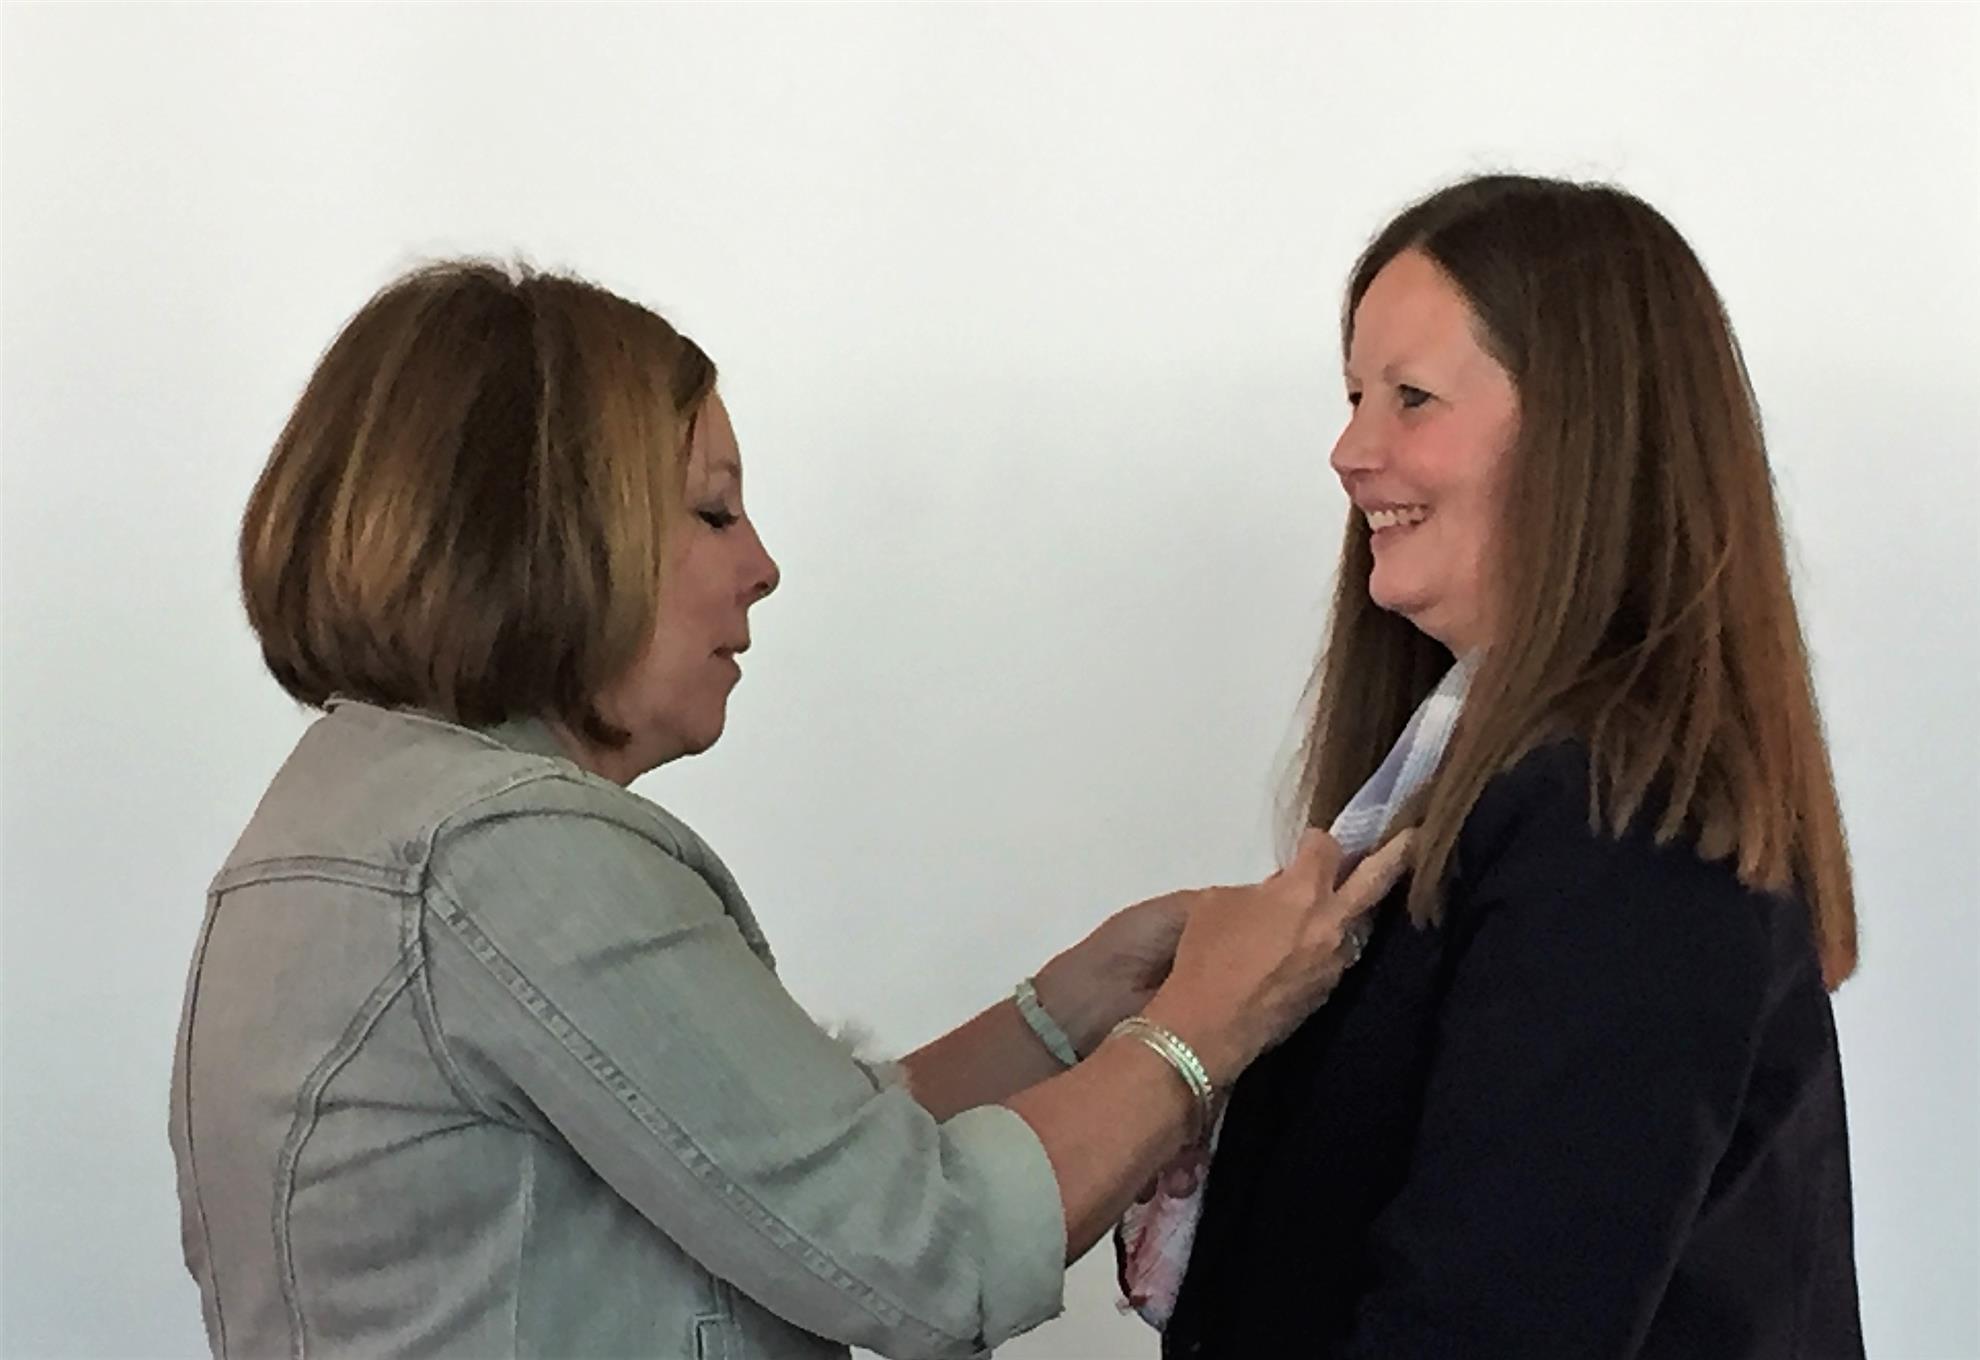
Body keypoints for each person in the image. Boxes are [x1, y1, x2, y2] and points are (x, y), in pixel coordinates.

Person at [168, 260, 1411, 1359]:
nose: (759, 565)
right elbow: (933, 1253)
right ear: (550, 535)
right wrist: (1207, 1026)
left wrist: (1074, 1006)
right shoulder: (501, 855)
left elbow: (780, 1171)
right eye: (712, 510)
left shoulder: (356, 821)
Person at [1122, 175, 1864, 1358]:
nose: (1349, 450)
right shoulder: (1495, 795)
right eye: (1355, 396)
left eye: (1410, 398)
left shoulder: (1621, 828)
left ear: (1586, 434)